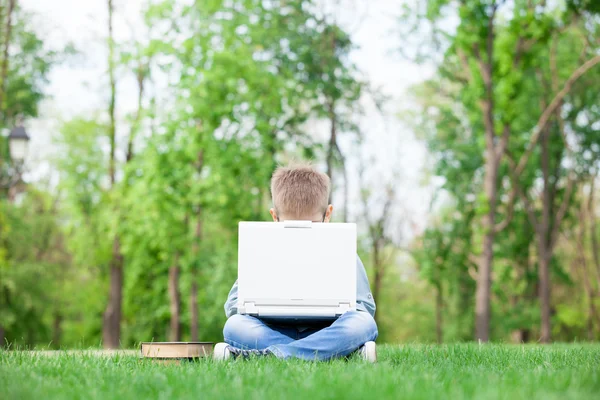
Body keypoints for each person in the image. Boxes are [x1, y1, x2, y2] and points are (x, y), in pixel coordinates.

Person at [213, 163, 378, 362]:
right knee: (235, 326)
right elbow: (233, 306)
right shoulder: (261, 250)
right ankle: (327, 354)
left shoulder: (343, 251)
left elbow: (365, 308)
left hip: (327, 332)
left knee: (364, 323)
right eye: (290, 227)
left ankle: (278, 354)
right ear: (275, 216)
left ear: (328, 214)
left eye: (312, 226)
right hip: (274, 332)